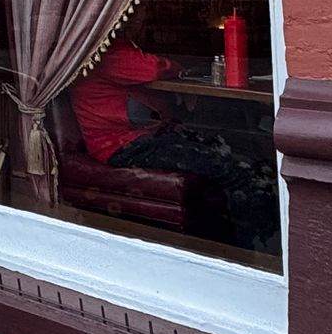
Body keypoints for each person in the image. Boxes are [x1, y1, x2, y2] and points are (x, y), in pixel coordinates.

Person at [73, 34, 279, 252]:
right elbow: (152, 68)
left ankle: (241, 234)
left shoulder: (104, 48)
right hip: (123, 145)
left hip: (142, 137)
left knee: (237, 154)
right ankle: (256, 250)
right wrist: (179, 67)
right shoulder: (106, 53)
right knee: (235, 170)